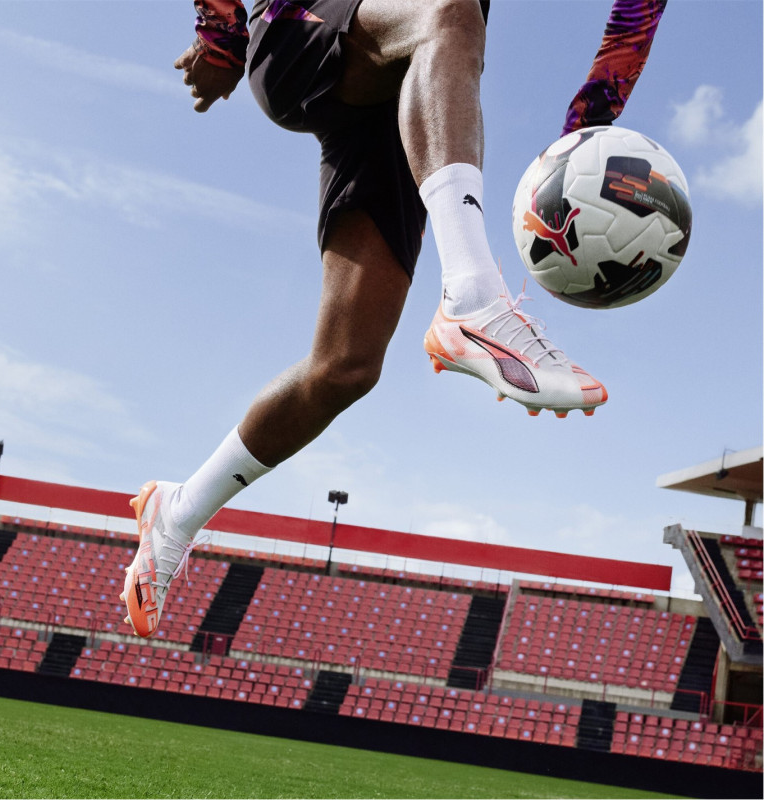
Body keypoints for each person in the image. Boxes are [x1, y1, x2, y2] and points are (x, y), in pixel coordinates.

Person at [121, 0, 666, 638]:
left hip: (409, 89)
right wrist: (220, 31)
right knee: (454, 13)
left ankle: (177, 512)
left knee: (343, 368)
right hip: (309, 27)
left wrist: (587, 130)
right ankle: (473, 300)